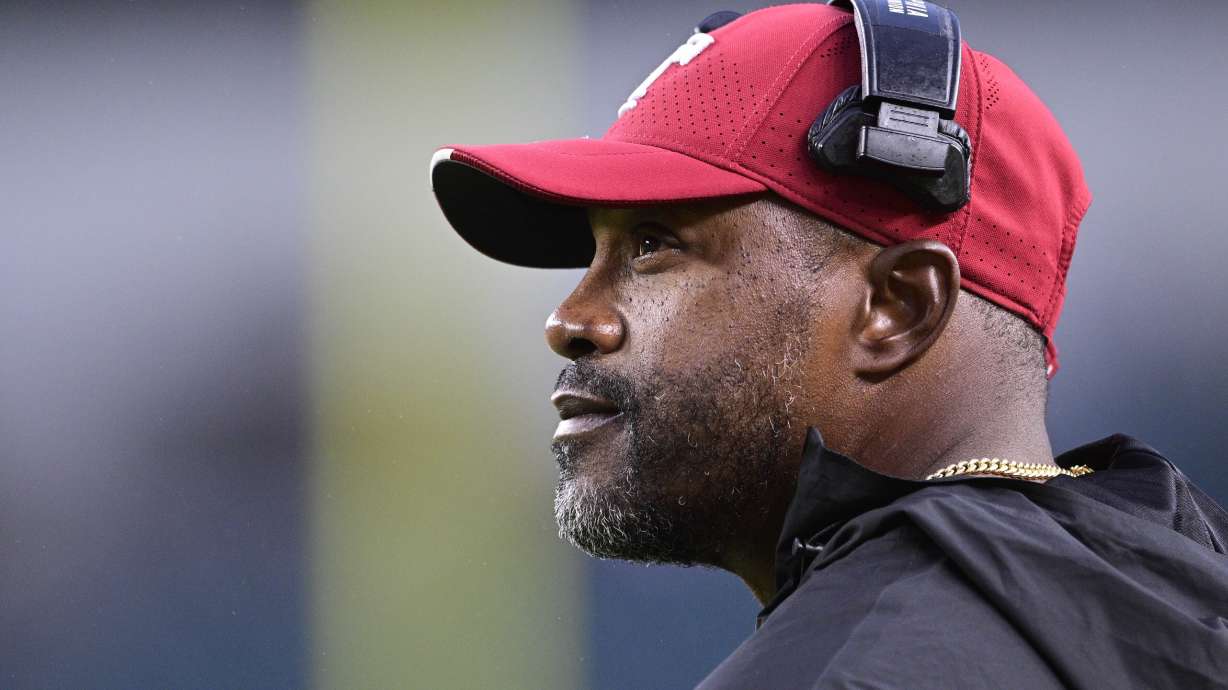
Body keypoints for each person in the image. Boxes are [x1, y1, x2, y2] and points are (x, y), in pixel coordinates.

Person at [429, 3, 1228, 687]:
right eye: (592, 255)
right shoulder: (1170, 586)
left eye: (651, 247)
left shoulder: (850, 668)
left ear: (897, 307)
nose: (571, 319)